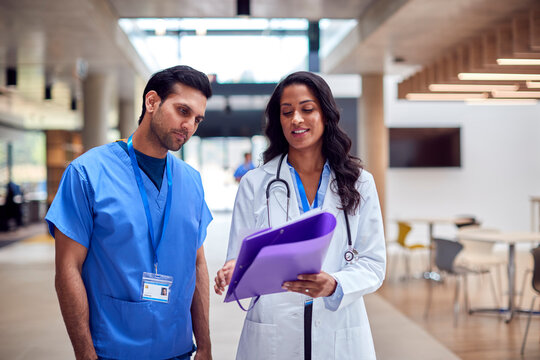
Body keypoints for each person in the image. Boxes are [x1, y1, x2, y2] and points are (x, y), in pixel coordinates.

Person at [214, 71, 386, 359]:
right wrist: (233, 271)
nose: (296, 119)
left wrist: (335, 284)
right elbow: (238, 257)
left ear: (326, 115)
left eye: (307, 109)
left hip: (338, 330)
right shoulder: (256, 183)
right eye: (286, 112)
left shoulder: (360, 183)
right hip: (274, 331)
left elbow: (373, 263)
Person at [46, 65, 213, 360]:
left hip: (178, 349)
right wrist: (85, 354)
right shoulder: (87, 174)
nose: (189, 125)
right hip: (112, 349)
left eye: (197, 119)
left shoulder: (191, 181)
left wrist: (206, 346)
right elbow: (67, 269)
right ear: (151, 102)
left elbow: (197, 263)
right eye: (182, 111)